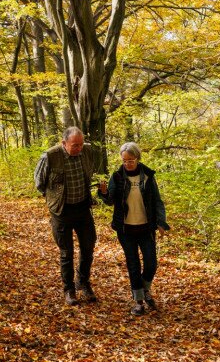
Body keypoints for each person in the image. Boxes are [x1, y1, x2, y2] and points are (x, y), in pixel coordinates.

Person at [97, 142, 170, 315]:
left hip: (146, 228)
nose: (127, 164)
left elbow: (157, 201)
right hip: (126, 229)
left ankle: (145, 289)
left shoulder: (148, 176)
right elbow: (110, 201)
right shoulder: (117, 176)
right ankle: (138, 301)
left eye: (130, 160)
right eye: (124, 161)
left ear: (137, 158)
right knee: (133, 265)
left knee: (151, 264)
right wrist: (104, 192)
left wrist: (161, 222)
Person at [34, 127, 99, 306]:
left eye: (80, 144)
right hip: (61, 212)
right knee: (66, 252)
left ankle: (83, 282)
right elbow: (39, 183)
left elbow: (90, 174)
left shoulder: (87, 151)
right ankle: (69, 289)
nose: (79, 148)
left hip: (83, 209)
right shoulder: (50, 156)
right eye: (74, 145)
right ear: (64, 143)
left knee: (88, 246)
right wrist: (53, 199)